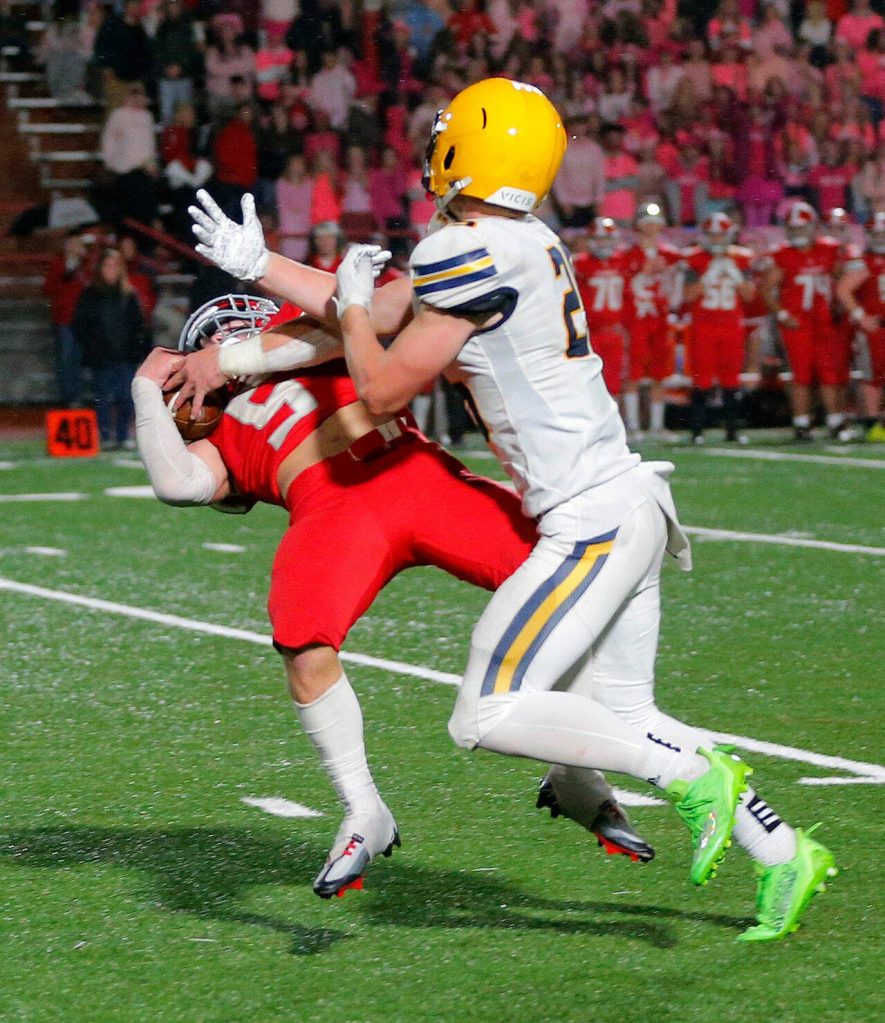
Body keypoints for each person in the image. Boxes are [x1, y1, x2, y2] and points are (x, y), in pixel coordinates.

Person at [185, 79, 837, 942]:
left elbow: (376, 382)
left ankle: (691, 782)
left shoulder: (463, 249)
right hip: (627, 500)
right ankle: (786, 850)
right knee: (628, 713)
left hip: (590, 520)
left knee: (486, 712)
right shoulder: (514, 237)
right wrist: (257, 268)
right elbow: (382, 311)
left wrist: (337, 302)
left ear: (468, 153)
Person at [136, 294, 653, 899]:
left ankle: (574, 774)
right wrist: (147, 391)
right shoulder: (217, 433)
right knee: (303, 643)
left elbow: (358, 324)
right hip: (330, 511)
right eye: (214, 336)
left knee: (575, 573)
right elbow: (178, 484)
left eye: (234, 329)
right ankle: (364, 810)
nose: (227, 335)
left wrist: (239, 356)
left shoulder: (295, 334)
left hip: (413, 473)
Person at [759, 202, 850, 442]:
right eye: (794, 228)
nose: (798, 233)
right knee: (801, 374)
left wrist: (841, 307)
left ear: (813, 227)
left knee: (830, 373)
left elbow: (844, 281)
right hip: (797, 323)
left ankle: (835, 420)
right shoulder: (782, 254)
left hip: (826, 322)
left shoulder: (830, 250)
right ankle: (801, 423)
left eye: (802, 228)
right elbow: (767, 289)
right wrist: (782, 315)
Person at [680, 212, 755, 445]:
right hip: (704, 324)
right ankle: (697, 430)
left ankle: (731, 430)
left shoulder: (742, 258)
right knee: (702, 377)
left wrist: (735, 276)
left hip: (732, 323)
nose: (716, 240)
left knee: (731, 378)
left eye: (720, 235)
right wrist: (708, 276)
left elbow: (749, 295)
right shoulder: (694, 258)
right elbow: (689, 295)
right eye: (712, 235)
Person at [73, 247, 148, 450]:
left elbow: (139, 325)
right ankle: (104, 436)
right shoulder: (90, 294)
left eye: (115, 266)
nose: (111, 270)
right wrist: (92, 347)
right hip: (101, 357)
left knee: (125, 397)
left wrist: (138, 351)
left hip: (125, 356)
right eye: (107, 265)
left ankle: (123, 435)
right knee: (103, 397)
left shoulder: (129, 295)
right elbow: (80, 325)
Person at [621, 202, 682, 441]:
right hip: (636, 318)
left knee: (660, 372)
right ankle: (633, 425)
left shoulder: (670, 254)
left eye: (655, 223)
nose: (652, 228)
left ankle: (657, 425)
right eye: (647, 223)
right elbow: (627, 283)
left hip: (660, 317)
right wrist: (647, 269)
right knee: (633, 373)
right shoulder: (627, 255)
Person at [836, 211, 885, 440]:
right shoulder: (863, 262)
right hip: (876, 328)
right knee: (873, 377)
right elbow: (843, 290)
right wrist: (861, 316)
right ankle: (873, 424)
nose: (880, 238)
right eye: (876, 234)